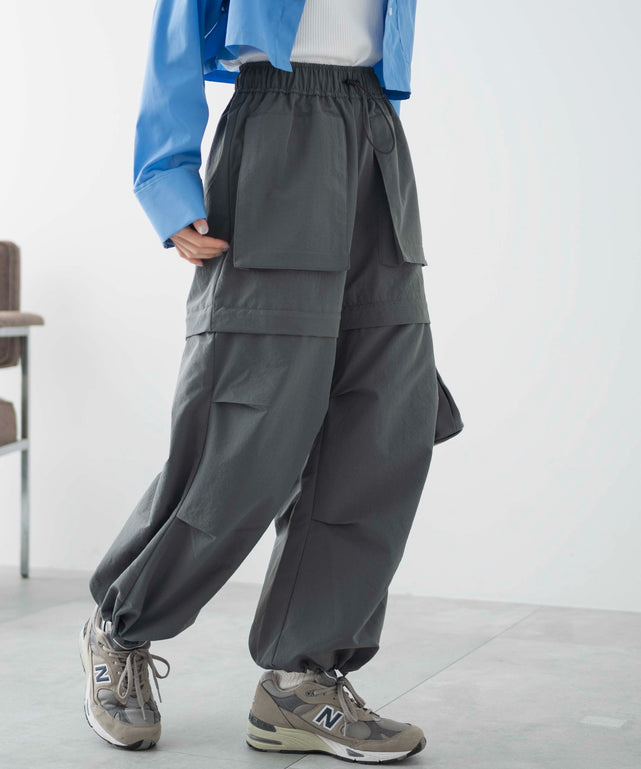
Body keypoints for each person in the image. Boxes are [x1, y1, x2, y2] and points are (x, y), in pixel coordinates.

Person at [79, 0, 464, 762]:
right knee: (247, 430)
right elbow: (178, 23)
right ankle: (120, 627)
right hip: (275, 133)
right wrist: (166, 177)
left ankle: (300, 679)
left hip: (375, 136)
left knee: (381, 426)